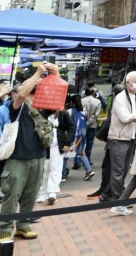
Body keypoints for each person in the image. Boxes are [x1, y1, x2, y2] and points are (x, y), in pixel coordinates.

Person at [0, 62, 59, 240]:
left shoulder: (43, 106)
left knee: (31, 194)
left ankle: (23, 225)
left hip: (39, 156)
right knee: (12, 195)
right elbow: (23, 93)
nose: (32, 91)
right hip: (17, 158)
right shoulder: (15, 107)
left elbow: (59, 94)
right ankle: (4, 227)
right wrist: (37, 74)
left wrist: (54, 74)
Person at [103, 71, 136, 203]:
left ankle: (116, 195)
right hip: (119, 138)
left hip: (133, 138)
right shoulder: (120, 98)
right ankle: (118, 199)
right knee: (118, 171)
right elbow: (125, 118)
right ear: (128, 83)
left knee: (125, 169)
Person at [68, 94, 96, 180]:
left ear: (71, 102)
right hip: (82, 135)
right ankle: (89, 170)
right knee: (81, 153)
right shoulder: (84, 111)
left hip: (74, 135)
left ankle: (62, 174)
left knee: (65, 154)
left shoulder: (69, 111)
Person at [81, 88, 102, 163]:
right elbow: (96, 115)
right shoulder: (98, 101)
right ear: (93, 93)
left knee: (80, 143)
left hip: (81, 125)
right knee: (89, 144)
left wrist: (85, 123)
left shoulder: (81, 101)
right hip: (92, 125)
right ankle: (87, 159)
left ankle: (78, 161)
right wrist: (89, 122)